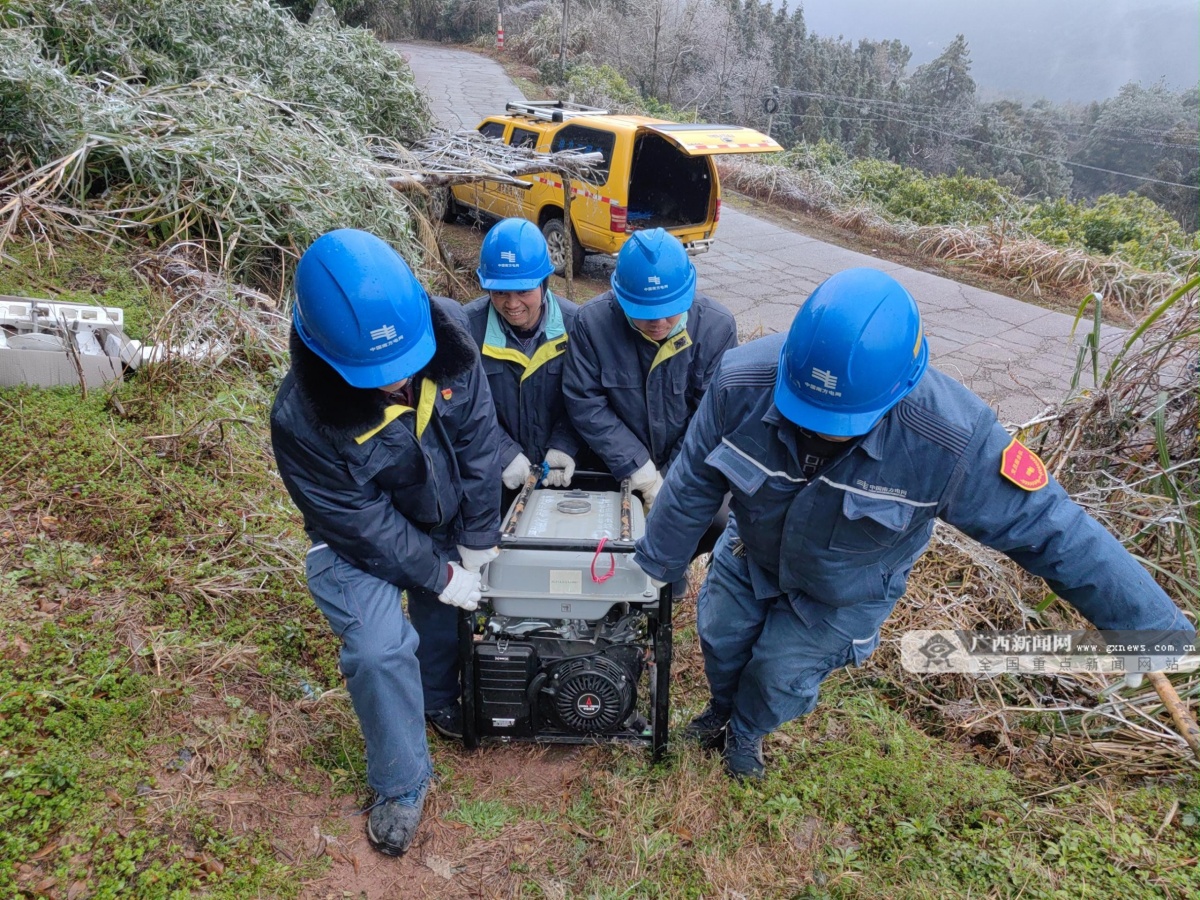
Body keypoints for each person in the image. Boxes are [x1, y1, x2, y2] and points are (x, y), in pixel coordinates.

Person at [632, 267, 1197, 781]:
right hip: (749, 556)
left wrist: (1152, 629)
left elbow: (1053, 530)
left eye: (839, 423)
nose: (818, 433)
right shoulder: (739, 383)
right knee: (723, 640)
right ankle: (720, 712)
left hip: (842, 591)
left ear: (899, 390)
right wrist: (659, 565)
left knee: (777, 673)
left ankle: (747, 733)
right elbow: (692, 483)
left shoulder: (953, 441)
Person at [270, 229, 502, 855]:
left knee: (443, 615)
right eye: (379, 377)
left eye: (406, 365)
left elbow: (479, 439)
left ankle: (434, 697)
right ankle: (402, 782)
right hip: (355, 542)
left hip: (444, 513)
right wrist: (440, 573)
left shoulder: (447, 333)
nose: (400, 382)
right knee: (378, 649)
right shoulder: (301, 419)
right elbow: (362, 524)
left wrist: (478, 538)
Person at [562, 227, 737, 508]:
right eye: (644, 313)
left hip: (689, 468)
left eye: (668, 311)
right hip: (613, 467)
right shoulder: (592, 323)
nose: (658, 323)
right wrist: (635, 464)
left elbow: (712, 416)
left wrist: (669, 478)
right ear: (621, 297)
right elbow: (585, 401)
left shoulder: (716, 328)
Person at [464, 218, 583, 493]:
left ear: (545, 283)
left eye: (524, 291)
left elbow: (587, 398)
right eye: (500, 292)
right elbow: (463, 409)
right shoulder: (468, 330)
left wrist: (564, 445)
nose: (513, 303)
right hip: (496, 478)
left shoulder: (576, 326)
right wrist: (504, 453)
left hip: (562, 476)